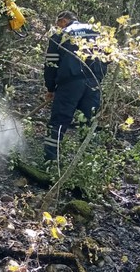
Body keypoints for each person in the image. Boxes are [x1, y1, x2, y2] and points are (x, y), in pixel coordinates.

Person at [43, 11, 108, 162]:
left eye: (58, 24)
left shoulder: (61, 35)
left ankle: (50, 162)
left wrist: (50, 88)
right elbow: (109, 57)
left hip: (69, 84)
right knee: (88, 122)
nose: (57, 27)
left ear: (64, 21)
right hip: (94, 84)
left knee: (58, 122)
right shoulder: (98, 32)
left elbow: (50, 65)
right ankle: (86, 164)